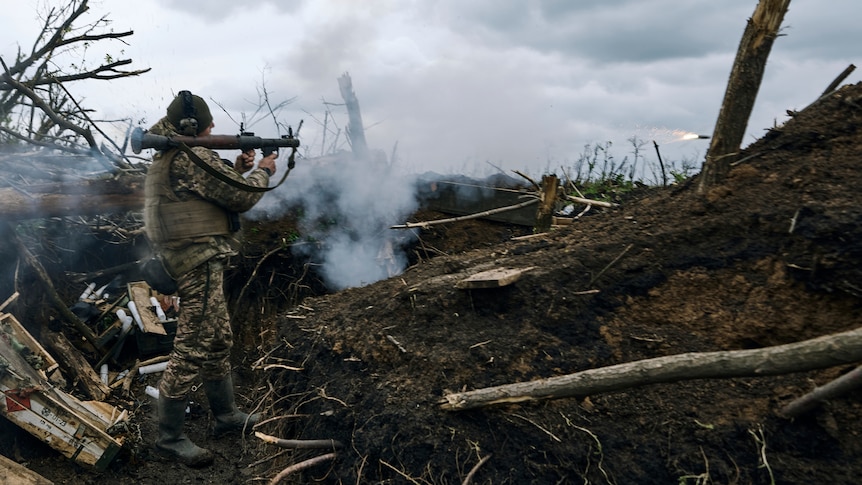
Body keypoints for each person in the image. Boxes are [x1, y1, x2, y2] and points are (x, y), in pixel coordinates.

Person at [143, 91, 277, 467]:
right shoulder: (192, 155)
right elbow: (241, 197)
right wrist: (263, 169)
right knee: (193, 346)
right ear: (191, 125)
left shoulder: (173, 155)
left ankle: (226, 416)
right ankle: (169, 437)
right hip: (196, 261)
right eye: (207, 122)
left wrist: (235, 166)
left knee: (218, 338)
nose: (213, 127)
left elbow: (209, 192)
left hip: (193, 257)